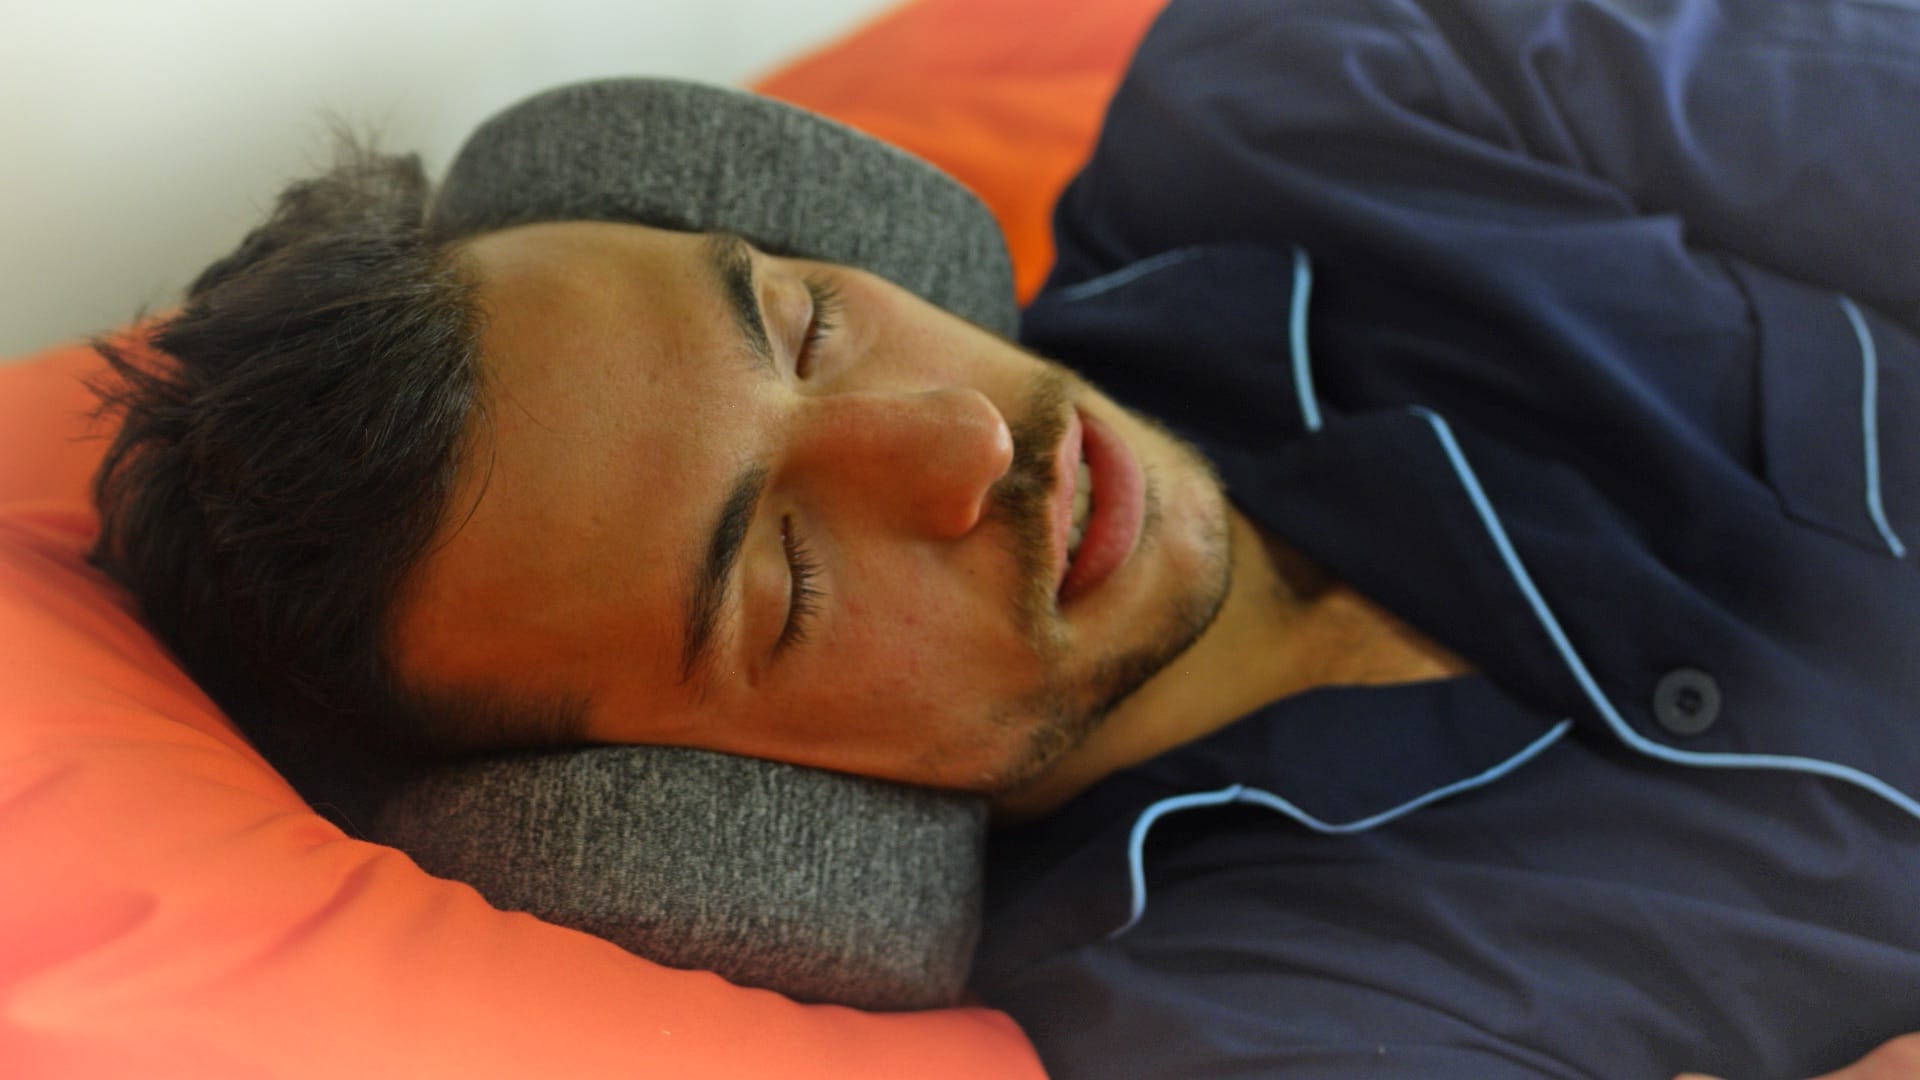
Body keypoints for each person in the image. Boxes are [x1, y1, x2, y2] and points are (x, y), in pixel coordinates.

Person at [85, 0, 1919, 1075]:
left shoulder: (1337, 87)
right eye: (784, 574)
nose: (967, 445)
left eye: (809, 323)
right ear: (681, 812)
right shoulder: (1255, 1029)